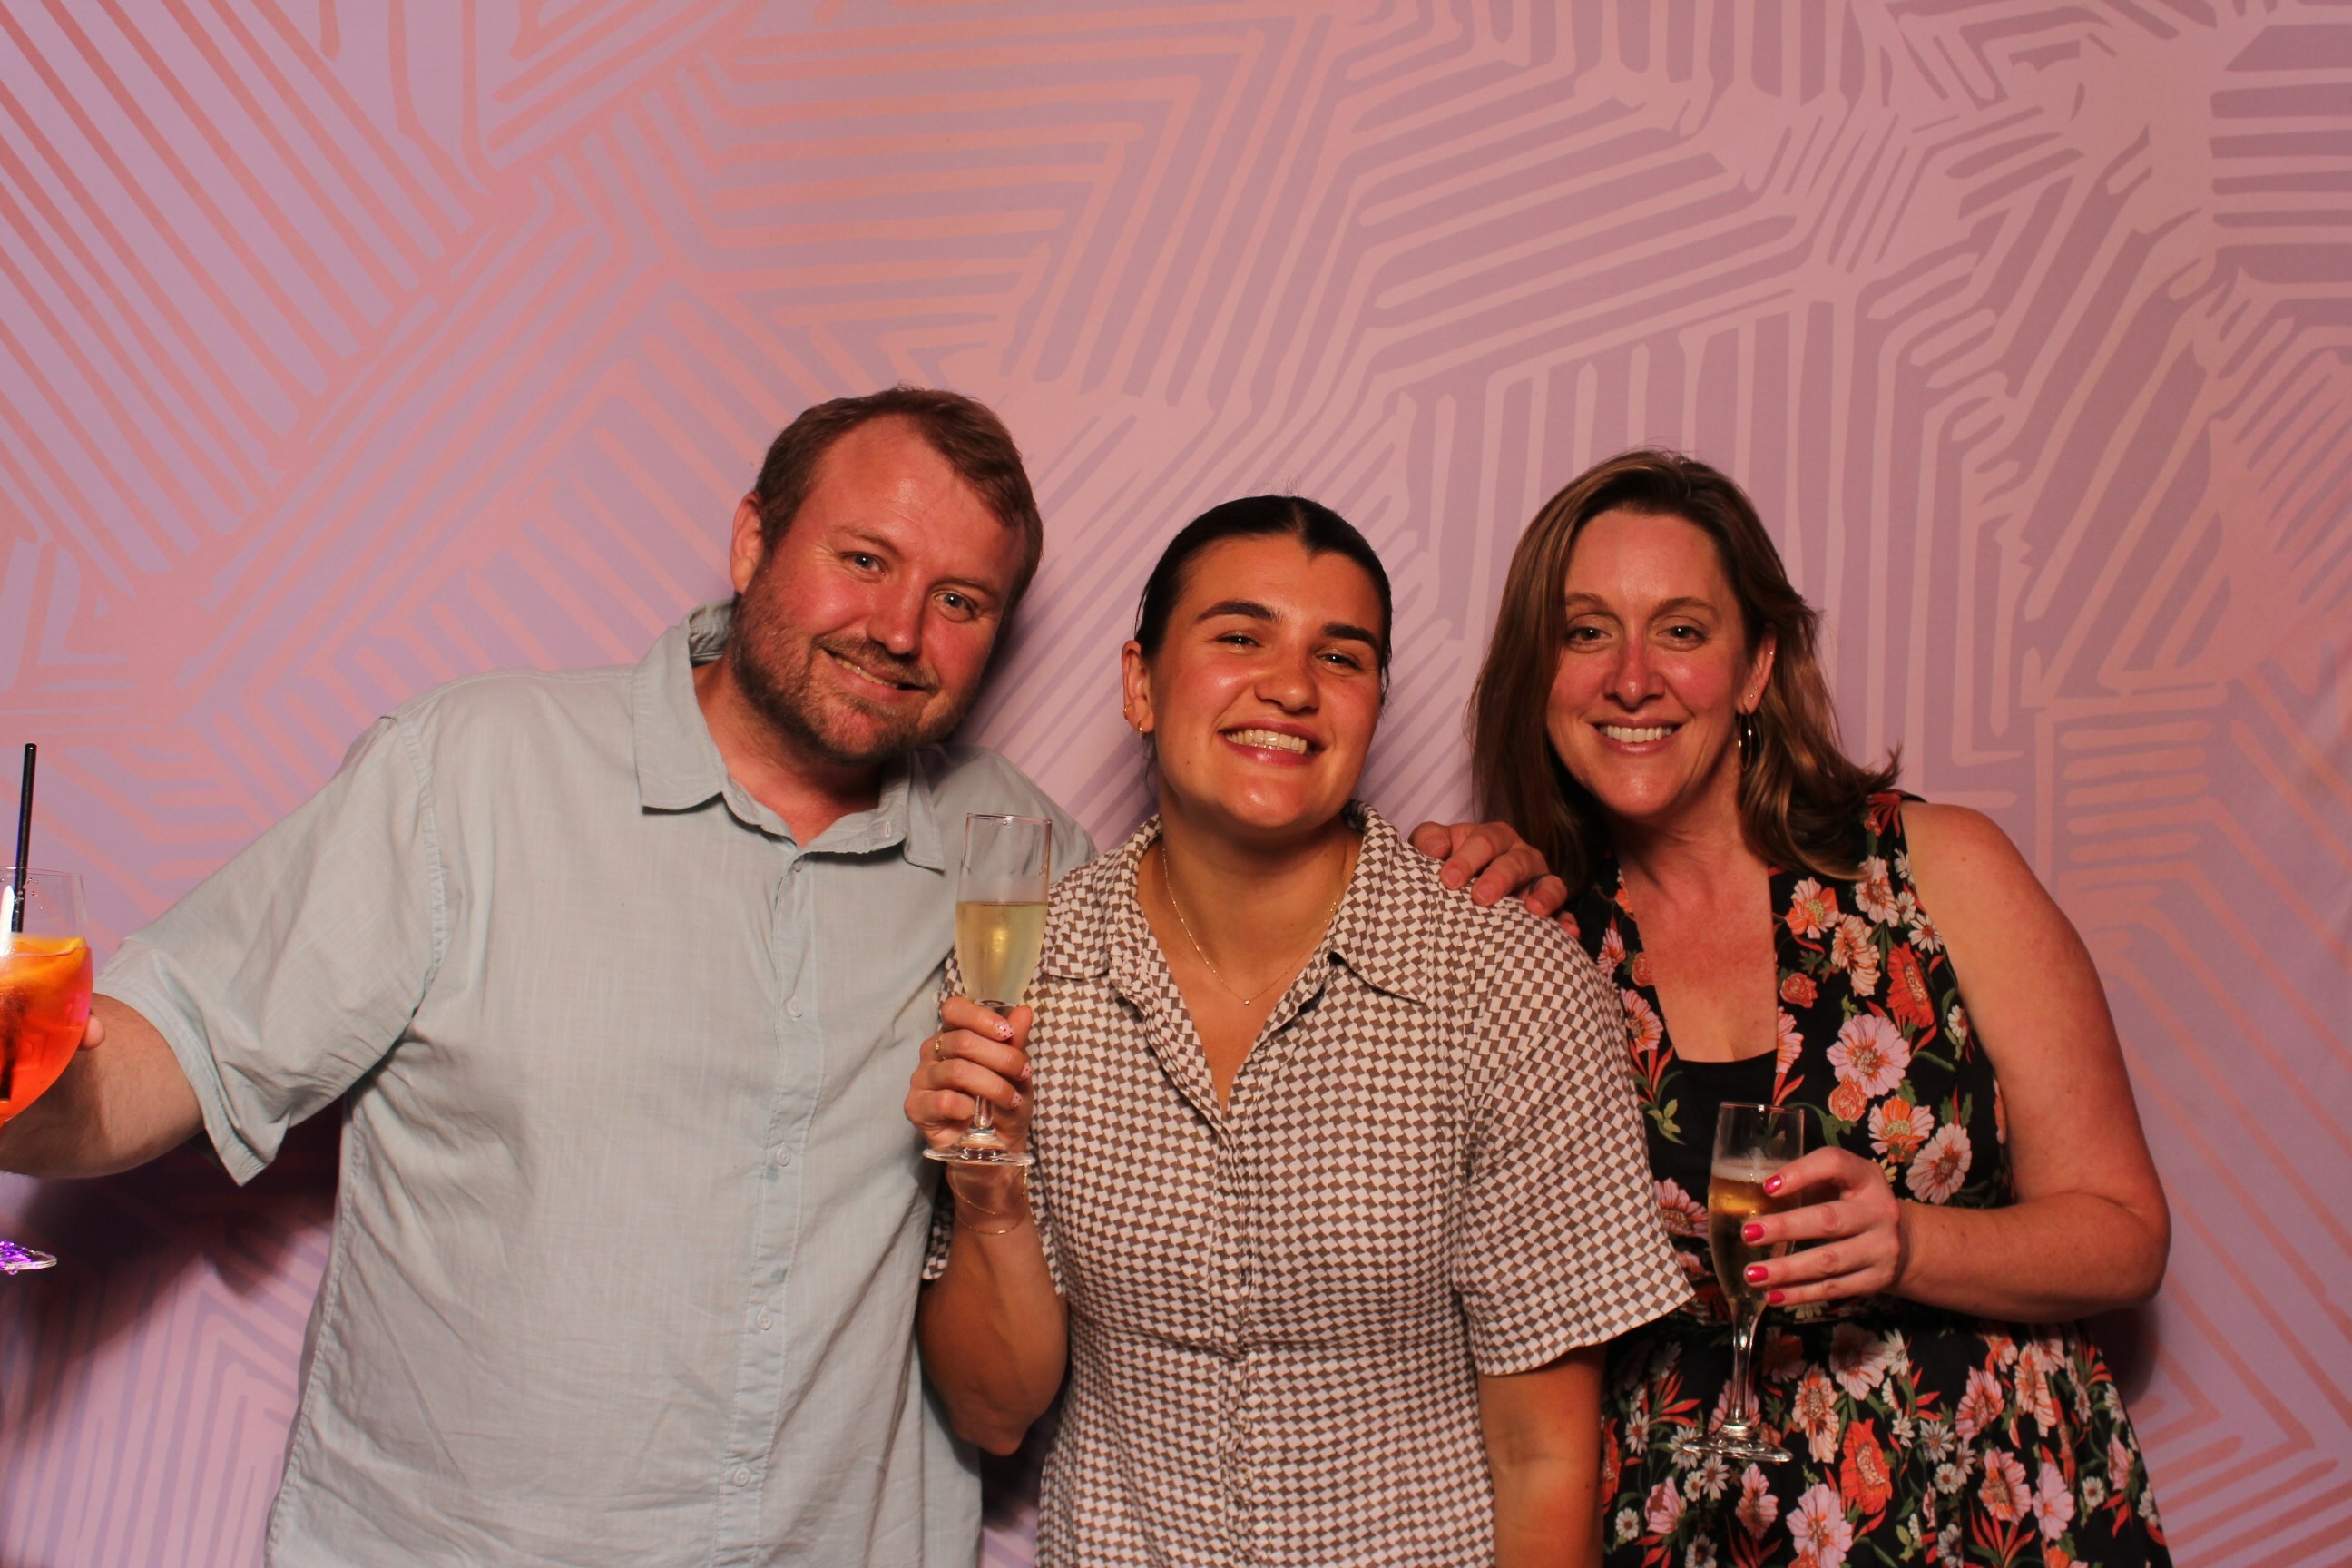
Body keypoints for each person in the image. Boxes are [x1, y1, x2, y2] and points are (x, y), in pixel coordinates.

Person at [0, 388, 1554, 1568]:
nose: (899, 628)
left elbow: (1233, 894)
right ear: (754, 542)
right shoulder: (472, 772)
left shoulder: (1018, 860)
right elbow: (166, 1051)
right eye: (862, 560)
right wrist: (22, 1063)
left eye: (961, 602)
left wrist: (1454, 862)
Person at [905, 496, 1690, 1567]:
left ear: (1375, 707)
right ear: (1141, 683)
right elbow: (992, 1413)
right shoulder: (1023, 969)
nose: (1291, 685)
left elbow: (1543, 1459)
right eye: (1240, 637)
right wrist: (989, 1190)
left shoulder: (1508, 984)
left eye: (1342, 656)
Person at [1468, 449, 2173, 1566]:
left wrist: (1909, 1243)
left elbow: (2126, 1237)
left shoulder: (1937, 869)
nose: (1632, 678)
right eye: (1586, 631)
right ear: (1538, 673)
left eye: (1682, 631)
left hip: (1981, 1502)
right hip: (1684, 1519)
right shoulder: (1529, 935)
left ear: (1754, 667)